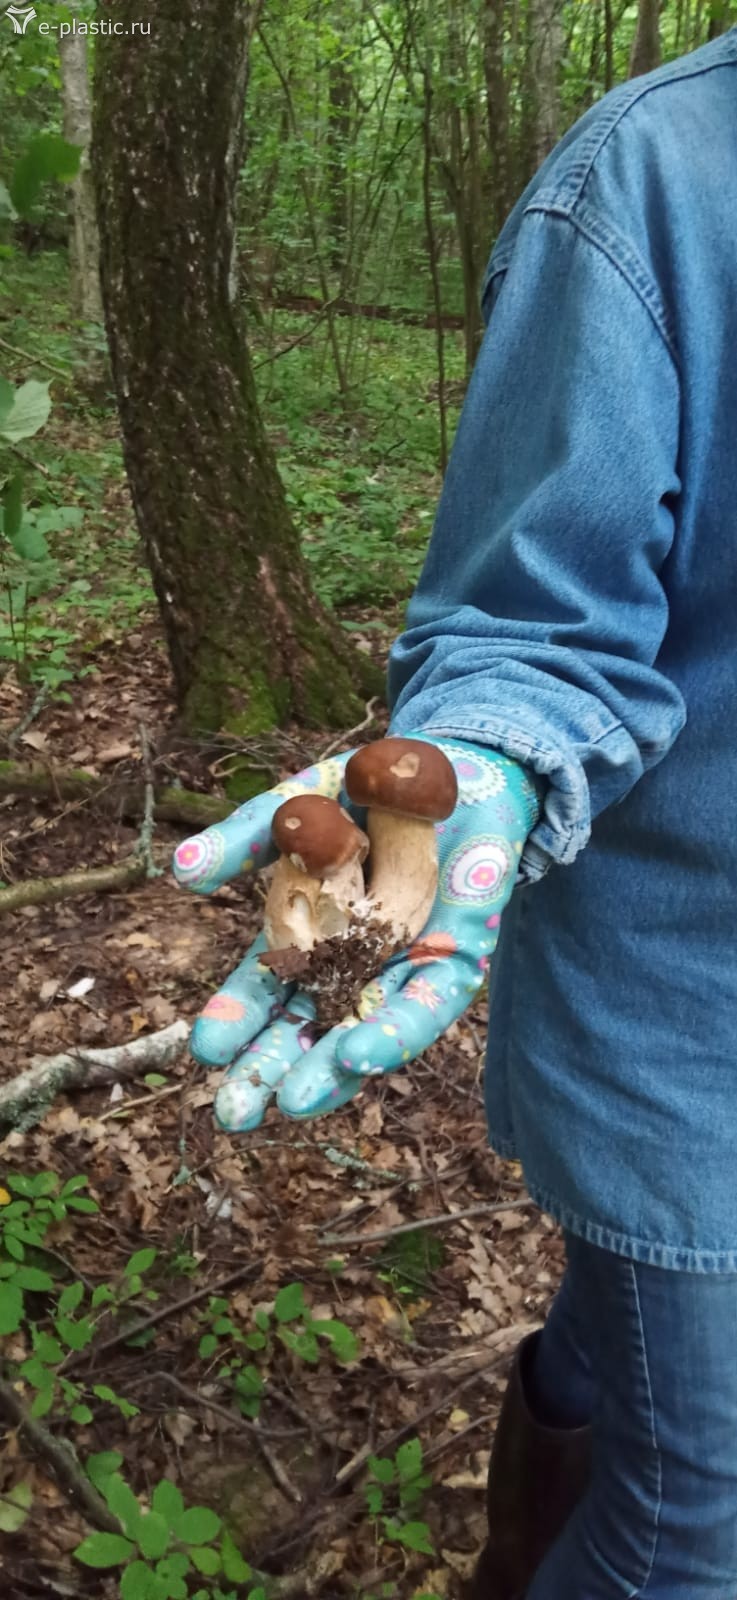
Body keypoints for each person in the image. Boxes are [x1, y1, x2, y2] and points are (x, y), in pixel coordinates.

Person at [174, 29, 737, 1598]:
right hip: (693, 1026)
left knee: (626, 1342)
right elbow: (529, 620)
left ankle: (529, 1515)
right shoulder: (658, 180)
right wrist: (481, 755)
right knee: (699, 1531)